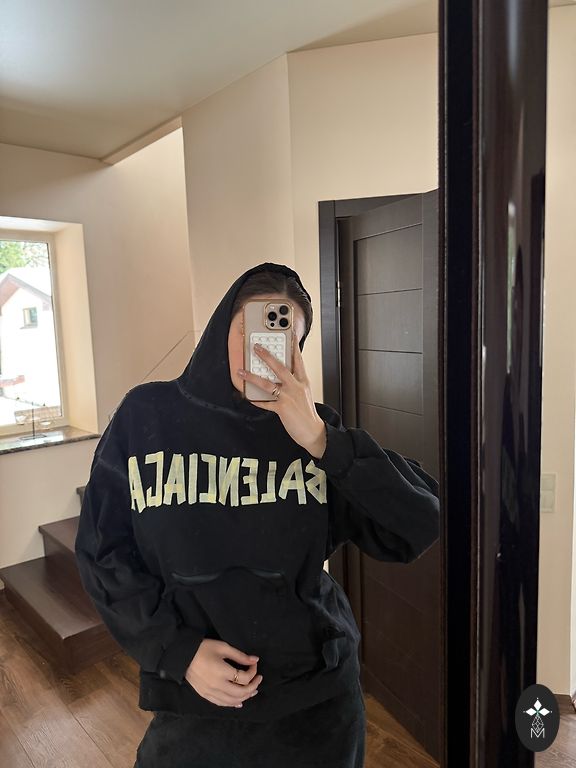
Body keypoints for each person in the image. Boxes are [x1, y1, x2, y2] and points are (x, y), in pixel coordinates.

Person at [74, 261, 440, 768]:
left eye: (284, 337)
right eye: (251, 330)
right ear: (222, 328)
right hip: (193, 706)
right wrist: (177, 650)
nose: (264, 350)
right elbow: (102, 552)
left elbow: (417, 524)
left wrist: (322, 440)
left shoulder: (315, 435)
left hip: (317, 710)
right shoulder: (147, 416)